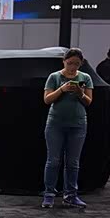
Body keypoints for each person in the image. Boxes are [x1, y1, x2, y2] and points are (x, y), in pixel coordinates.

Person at [41, 48, 94, 209]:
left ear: (81, 63)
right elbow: (47, 100)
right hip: (56, 124)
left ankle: (70, 195)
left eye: (76, 64)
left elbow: (89, 101)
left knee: (73, 162)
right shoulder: (54, 77)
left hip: (78, 124)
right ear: (64, 61)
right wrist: (62, 89)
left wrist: (80, 93)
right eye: (70, 63)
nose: (72, 67)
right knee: (53, 161)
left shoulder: (85, 78)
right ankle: (49, 194)